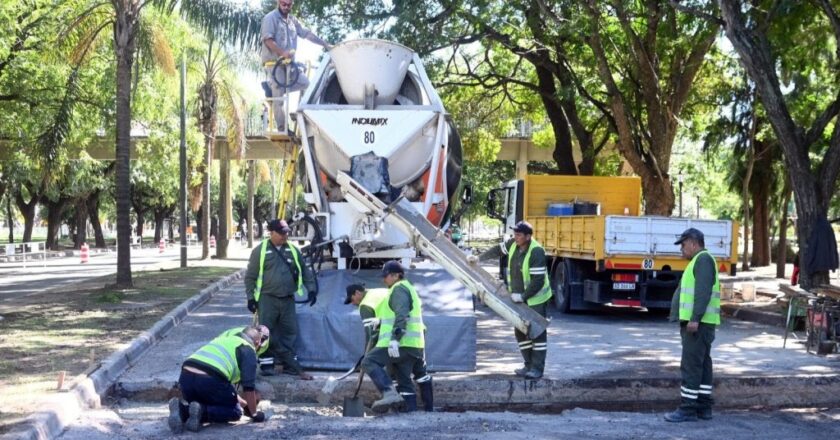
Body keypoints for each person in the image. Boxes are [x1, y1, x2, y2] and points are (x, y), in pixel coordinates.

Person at [245, 218, 316, 380]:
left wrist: (311, 289)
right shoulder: (260, 251)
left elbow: (305, 271)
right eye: (282, 233)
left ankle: (289, 365)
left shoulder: (292, 250)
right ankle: (267, 363)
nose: (285, 237)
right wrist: (251, 298)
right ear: (272, 232)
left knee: (290, 331)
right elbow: (250, 277)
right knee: (265, 332)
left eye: (287, 233)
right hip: (267, 299)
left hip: (287, 299)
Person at [346, 282, 434, 412]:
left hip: (396, 340)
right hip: (417, 336)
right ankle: (428, 411)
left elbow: (371, 335)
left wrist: (368, 356)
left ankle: (394, 398)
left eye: (352, 299)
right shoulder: (384, 291)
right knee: (420, 374)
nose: (353, 303)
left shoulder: (366, 304)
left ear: (358, 293)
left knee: (392, 373)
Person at [665, 228, 720, 422]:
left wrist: (695, 318)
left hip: (698, 324)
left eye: (683, 244)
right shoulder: (701, 260)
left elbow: (702, 292)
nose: (681, 249)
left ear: (693, 243)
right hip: (702, 323)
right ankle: (703, 407)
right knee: (702, 364)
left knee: (691, 365)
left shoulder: (702, 260)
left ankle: (688, 409)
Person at [168, 326, 267, 433]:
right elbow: (249, 387)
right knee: (235, 411)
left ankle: (181, 409)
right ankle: (188, 412)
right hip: (209, 380)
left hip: (185, 379)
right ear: (257, 342)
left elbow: (226, 389)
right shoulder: (248, 349)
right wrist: (254, 414)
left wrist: (243, 403)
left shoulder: (223, 340)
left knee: (204, 401)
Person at [260, 0, 331, 132]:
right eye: (283, 4)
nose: (286, 7)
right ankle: (282, 128)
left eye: (289, 5)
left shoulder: (293, 21)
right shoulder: (270, 18)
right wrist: (282, 53)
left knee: (307, 85)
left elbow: (307, 34)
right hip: (275, 65)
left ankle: (300, 113)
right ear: (278, 2)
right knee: (279, 98)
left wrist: (325, 44)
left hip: (290, 66)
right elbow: (268, 40)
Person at [506, 221, 552, 380]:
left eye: (519, 235)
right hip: (518, 298)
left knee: (537, 333)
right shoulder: (514, 244)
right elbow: (497, 250)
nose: (515, 237)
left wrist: (523, 296)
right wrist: (477, 258)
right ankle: (528, 365)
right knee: (520, 331)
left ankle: (537, 369)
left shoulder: (536, 251)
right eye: (515, 234)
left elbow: (538, 281)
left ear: (528, 236)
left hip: (536, 299)